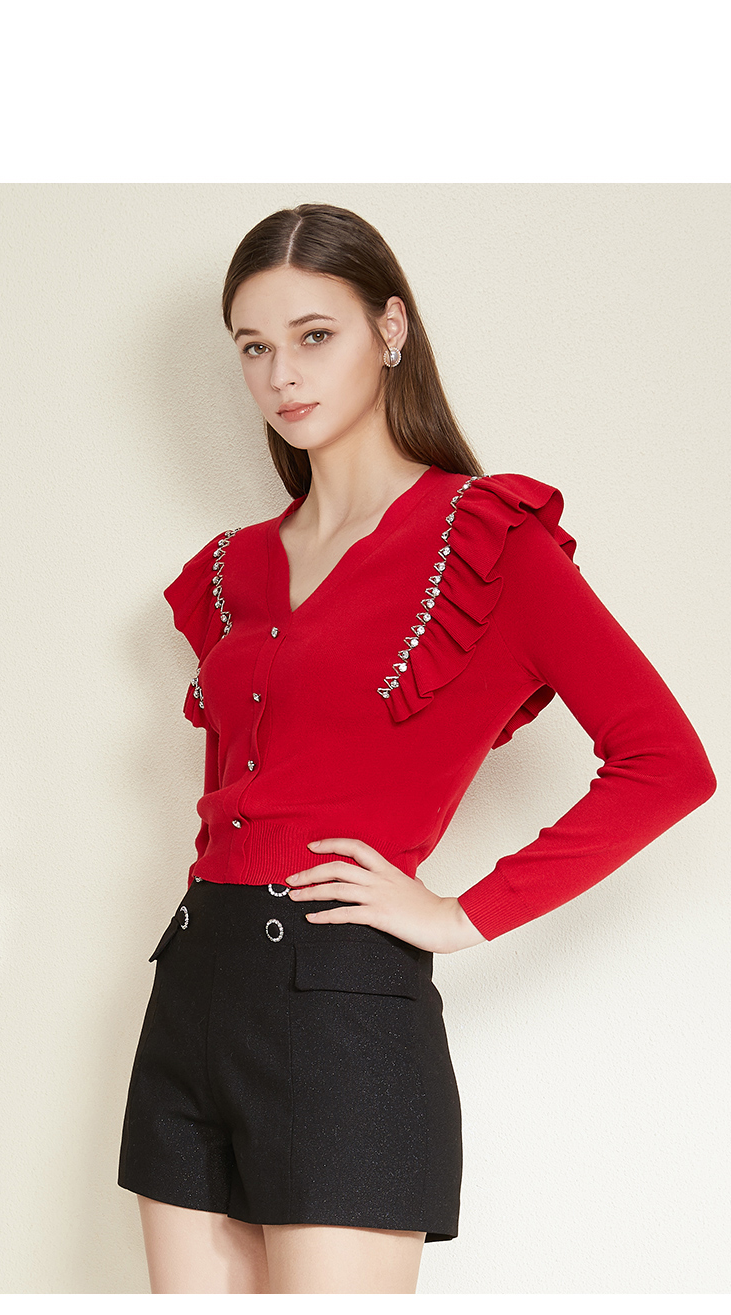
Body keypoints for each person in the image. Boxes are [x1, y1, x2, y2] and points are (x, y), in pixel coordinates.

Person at [117, 203, 717, 1295]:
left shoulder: (486, 541)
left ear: (390, 328)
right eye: (253, 347)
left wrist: (461, 913)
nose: (282, 375)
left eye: (314, 335)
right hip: (192, 986)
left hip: (341, 1007)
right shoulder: (233, 568)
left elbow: (667, 763)